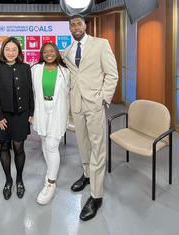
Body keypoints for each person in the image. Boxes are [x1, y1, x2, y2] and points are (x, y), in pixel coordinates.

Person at [63, 15, 118, 221]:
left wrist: (103, 99)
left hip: (95, 104)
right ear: (69, 28)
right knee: (82, 144)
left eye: (79, 23)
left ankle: (96, 196)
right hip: (76, 105)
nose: (76, 27)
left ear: (85, 26)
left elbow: (112, 74)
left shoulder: (101, 44)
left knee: (98, 148)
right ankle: (87, 175)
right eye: (72, 24)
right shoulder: (67, 51)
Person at [0, 37, 34, 200]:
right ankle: (8, 181)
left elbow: (30, 91)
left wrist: (31, 112)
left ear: (18, 52)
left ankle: (19, 179)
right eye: (7, 49)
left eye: (14, 49)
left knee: (19, 148)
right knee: (3, 147)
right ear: (3, 51)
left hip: (21, 115)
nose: (10, 52)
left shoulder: (25, 68)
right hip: (3, 116)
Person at [31, 42, 70, 205]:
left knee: (52, 145)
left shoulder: (66, 72)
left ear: (57, 53)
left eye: (52, 51)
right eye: (45, 51)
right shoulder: (35, 69)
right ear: (42, 53)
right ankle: (50, 169)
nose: (49, 54)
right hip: (41, 110)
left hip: (58, 111)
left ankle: (50, 183)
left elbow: (70, 94)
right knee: (44, 140)